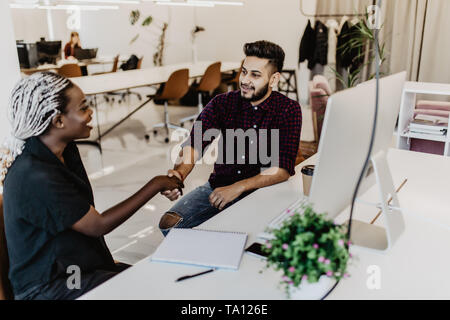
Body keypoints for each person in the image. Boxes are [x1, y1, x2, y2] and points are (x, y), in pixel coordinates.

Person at [0, 72, 184, 300]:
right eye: (83, 107)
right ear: (58, 121)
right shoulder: (34, 175)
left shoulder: (65, 150)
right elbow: (98, 225)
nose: (91, 113)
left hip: (75, 267)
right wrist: (156, 184)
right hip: (48, 286)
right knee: (152, 290)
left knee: (159, 280)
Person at [158, 40, 302, 235]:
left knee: (255, 237)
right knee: (169, 225)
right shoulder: (222, 103)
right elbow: (196, 142)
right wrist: (180, 174)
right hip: (219, 186)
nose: (245, 80)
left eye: (255, 75)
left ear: (274, 79)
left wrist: (238, 187)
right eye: (243, 71)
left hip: (264, 191)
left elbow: (282, 170)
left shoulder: (288, 109)